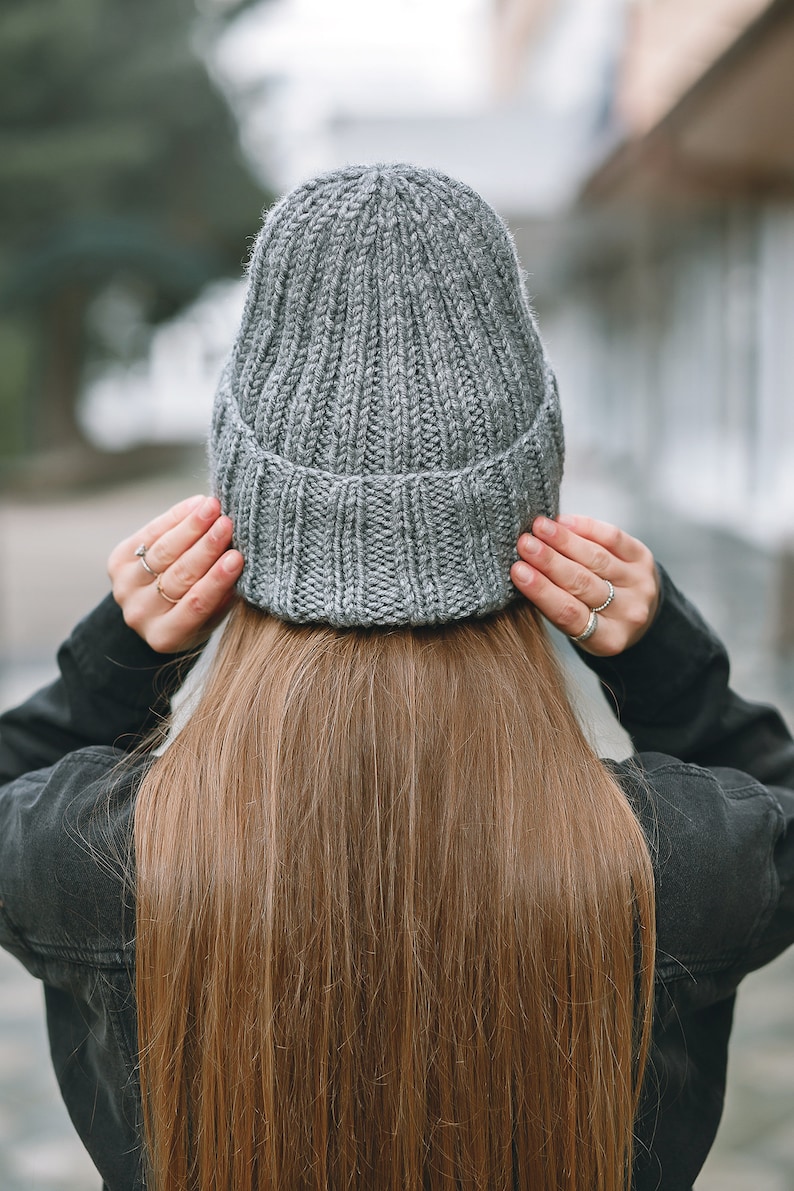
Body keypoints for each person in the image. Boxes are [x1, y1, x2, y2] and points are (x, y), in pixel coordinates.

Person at [0, 163, 792, 1191]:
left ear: (237, 518)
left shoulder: (91, 858)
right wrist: (656, 659)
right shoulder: (678, 863)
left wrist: (123, 648)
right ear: (533, 517)